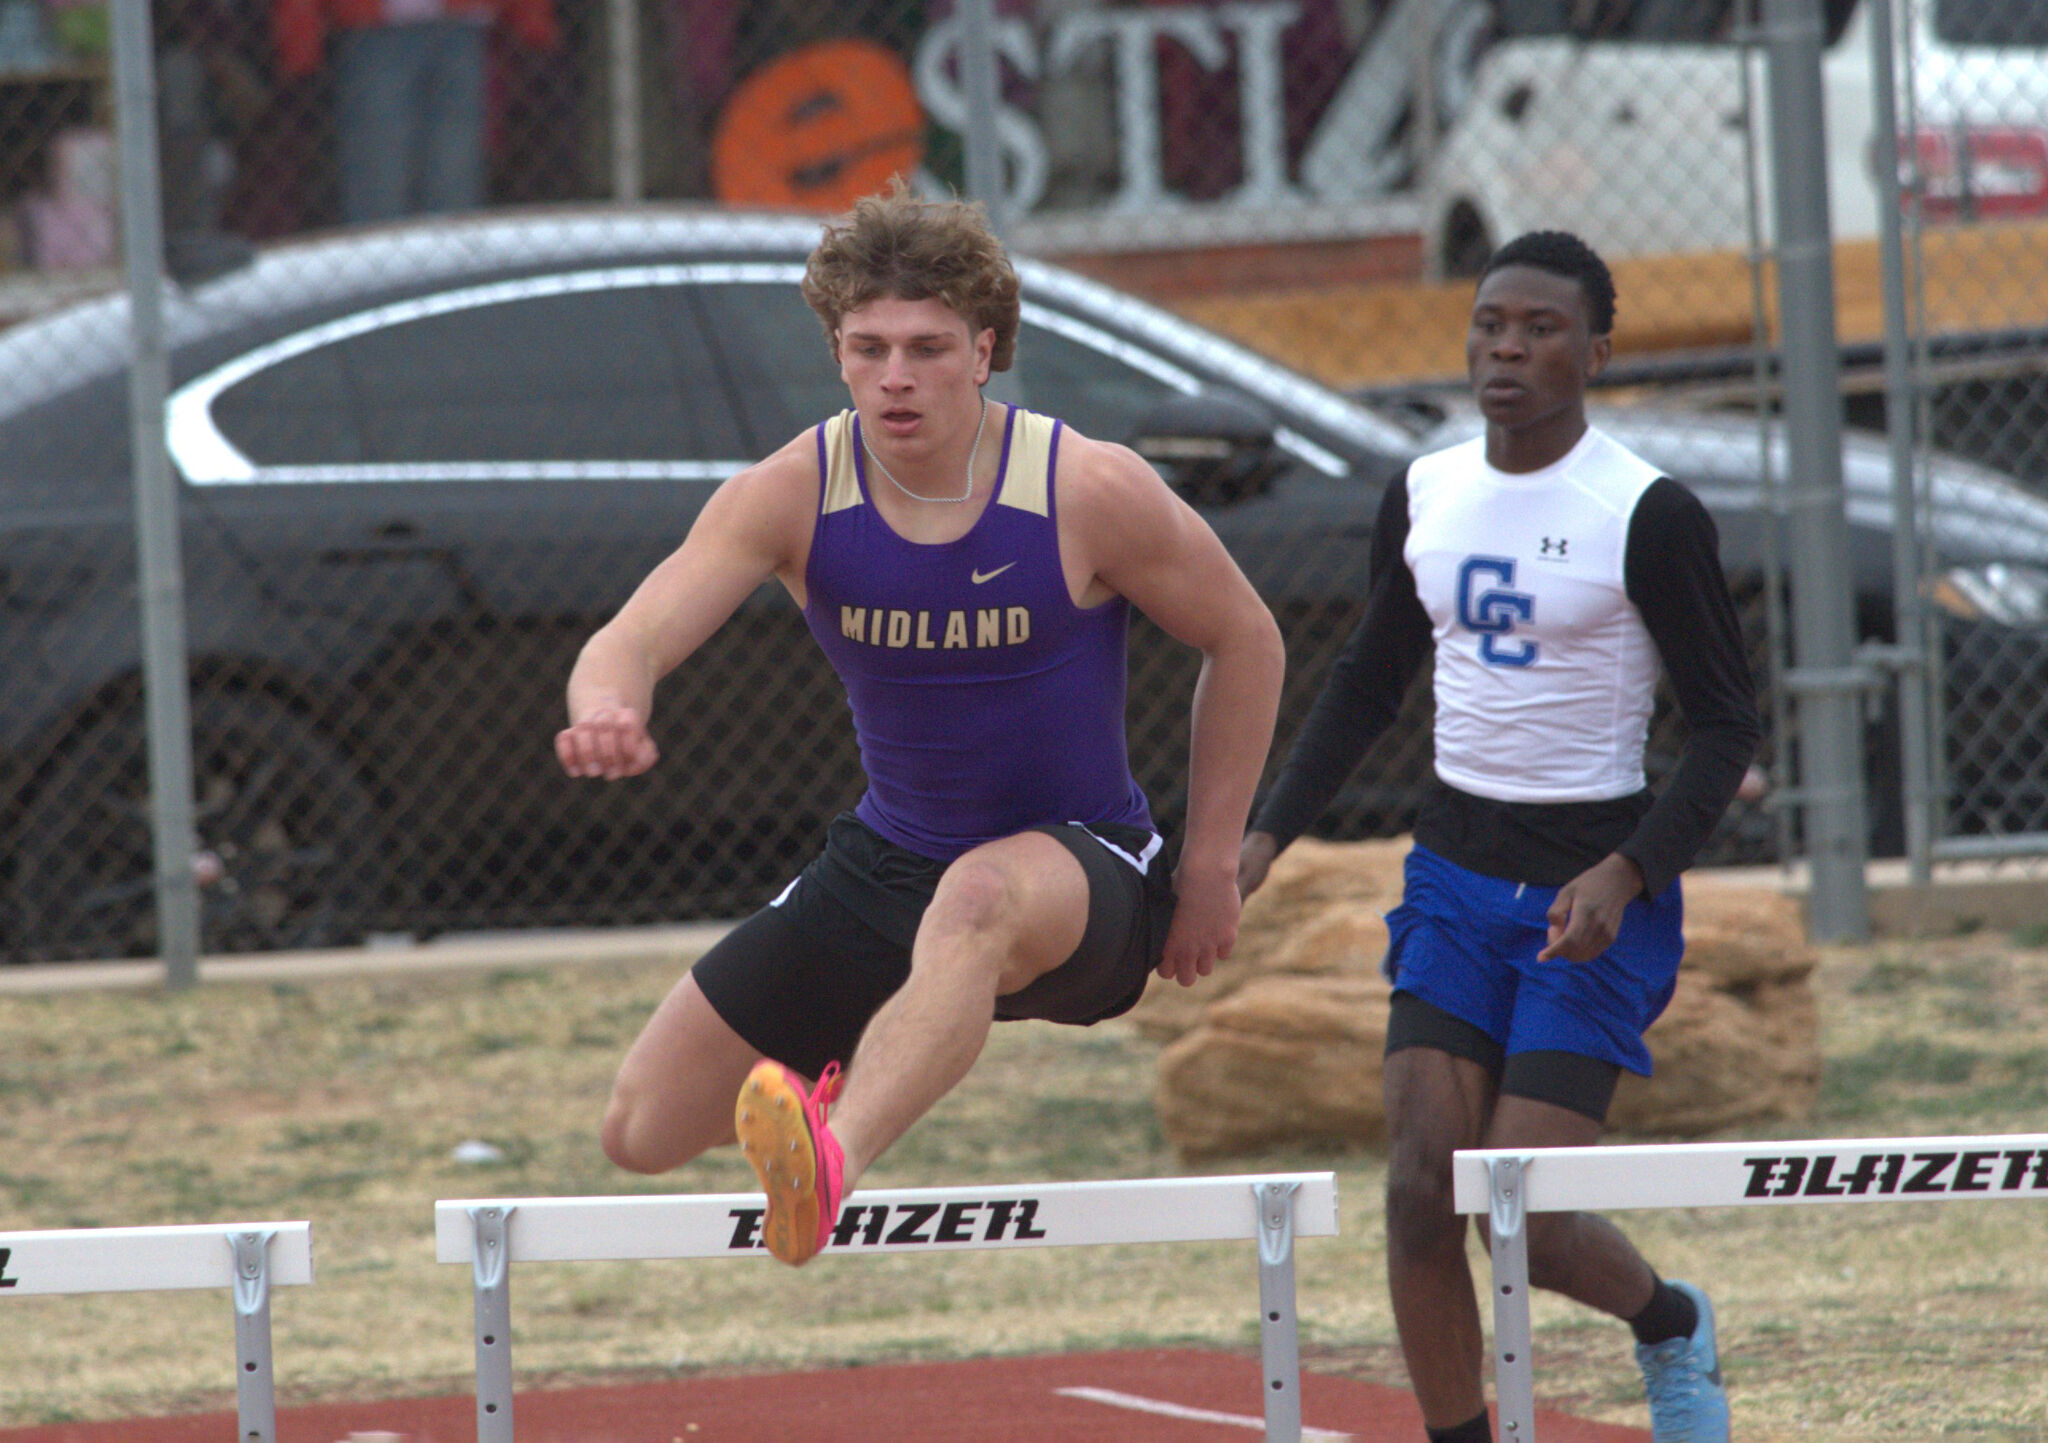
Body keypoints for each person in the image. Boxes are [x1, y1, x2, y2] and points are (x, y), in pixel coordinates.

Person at [557, 181, 1285, 1267]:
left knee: (977, 895)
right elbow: (633, 635)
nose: (896, 376)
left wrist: (1211, 865)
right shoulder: (793, 491)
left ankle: (830, 1165)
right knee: (642, 1129)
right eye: (869, 347)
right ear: (837, 354)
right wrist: (606, 706)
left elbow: (1247, 640)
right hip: (892, 860)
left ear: (984, 351)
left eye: (929, 348)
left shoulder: (1084, 487)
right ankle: (864, 1067)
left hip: (1077, 876)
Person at [1238, 231, 1759, 1443]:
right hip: (1452, 886)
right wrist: (1262, 837)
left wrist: (1626, 872)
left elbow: (1726, 725)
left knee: (1518, 1211)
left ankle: (1668, 1324)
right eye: (1488, 325)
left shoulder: (1645, 512)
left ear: (1595, 352)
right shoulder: (1423, 491)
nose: (1507, 349)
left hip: (1590, 900)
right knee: (1420, 1189)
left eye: (1537, 329)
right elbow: (1366, 681)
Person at [272, 0, 559, 225]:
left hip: (460, 25)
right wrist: (300, 40)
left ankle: (450, 277)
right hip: (377, 30)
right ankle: (381, 279)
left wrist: (533, 20)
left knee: (454, 179)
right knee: (380, 182)